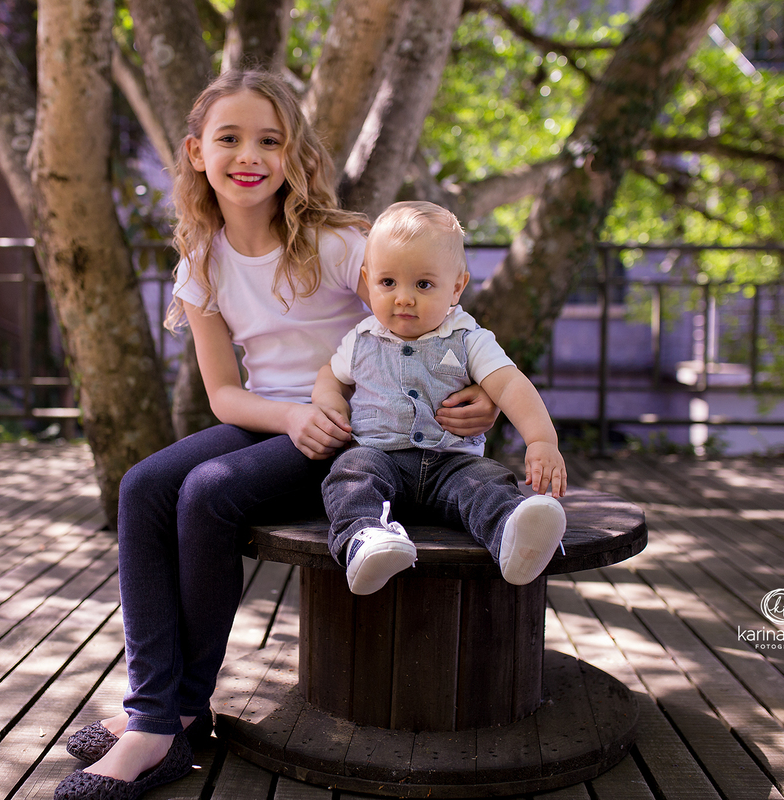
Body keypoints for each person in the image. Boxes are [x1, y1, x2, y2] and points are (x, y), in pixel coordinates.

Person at [53, 73, 499, 800]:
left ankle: (169, 719)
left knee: (210, 490)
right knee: (143, 485)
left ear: (295, 157)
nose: (249, 154)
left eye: (271, 139)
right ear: (198, 152)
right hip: (275, 420)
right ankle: (161, 712)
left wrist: (480, 391)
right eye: (229, 138)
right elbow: (226, 394)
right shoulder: (201, 263)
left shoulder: (341, 245)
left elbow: (432, 311)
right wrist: (290, 415)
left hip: (361, 431)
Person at [312, 201, 569, 597]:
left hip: (453, 465)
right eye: (388, 283)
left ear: (457, 287)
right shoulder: (361, 340)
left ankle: (513, 538)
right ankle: (365, 540)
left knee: (489, 483)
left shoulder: (469, 338)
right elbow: (330, 375)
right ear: (368, 279)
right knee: (350, 473)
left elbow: (510, 385)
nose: (403, 298)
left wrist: (541, 440)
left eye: (423, 285)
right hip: (381, 457)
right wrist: (329, 402)